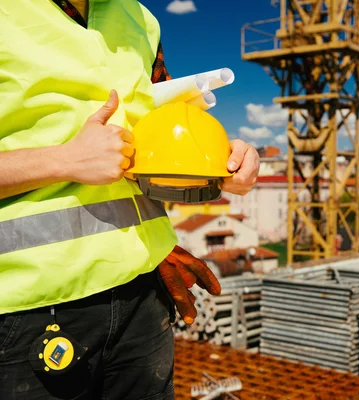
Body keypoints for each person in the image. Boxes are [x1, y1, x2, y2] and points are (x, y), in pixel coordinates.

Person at [0, 1, 259, 399]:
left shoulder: (139, 18)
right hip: (25, 309)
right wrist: (62, 160)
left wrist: (220, 161)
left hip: (144, 294)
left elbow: (152, 140)